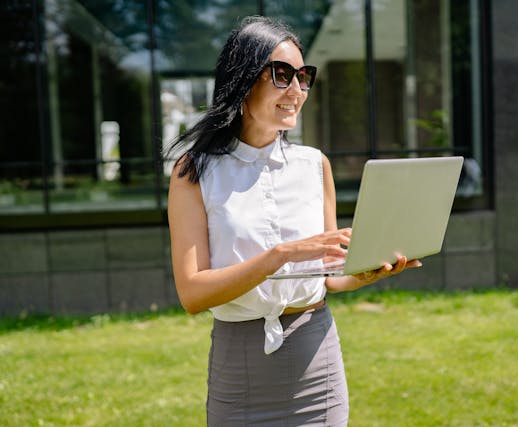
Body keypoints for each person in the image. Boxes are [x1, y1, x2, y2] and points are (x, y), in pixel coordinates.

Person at [167, 16, 421, 426]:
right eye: (282, 75)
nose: (296, 90)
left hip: (315, 358)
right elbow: (192, 293)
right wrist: (282, 254)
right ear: (244, 79)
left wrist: (364, 272)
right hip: (240, 369)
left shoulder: (314, 165)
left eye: (304, 77)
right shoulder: (194, 171)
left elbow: (328, 276)